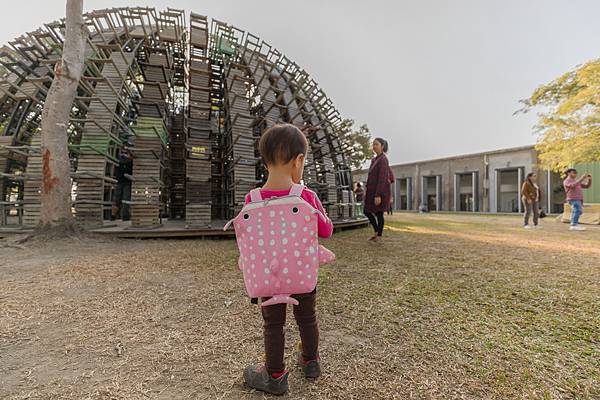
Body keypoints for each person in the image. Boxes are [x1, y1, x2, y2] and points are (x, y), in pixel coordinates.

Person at [242, 124, 333, 395]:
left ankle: (275, 375)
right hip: (302, 275)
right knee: (307, 318)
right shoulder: (306, 196)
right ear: (299, 161)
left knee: (273, 324)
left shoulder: (253, 198)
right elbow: (326, 230)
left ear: (266, 160)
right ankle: (311, 361)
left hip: (269, 277)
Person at [364, 138, 391, 242]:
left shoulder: (384, 159)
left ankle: (378, 236)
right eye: (373, 144)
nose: (374, 146)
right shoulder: (374, 159)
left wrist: (378, 195)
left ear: (382, 146)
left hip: (380, 191)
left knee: (379, 213)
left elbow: (382, 178)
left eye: (376, 144)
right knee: (366, 211)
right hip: (371, 190)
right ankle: (376, 232)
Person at [111, 148, 133, 221]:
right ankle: (113, 216)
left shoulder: (131, 163)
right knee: (117, 199)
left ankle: (125, 216)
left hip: (128, 182)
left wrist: (129, 176)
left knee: (126, 199)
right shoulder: (120, 162)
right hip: (120, 182)